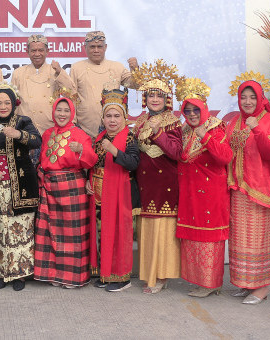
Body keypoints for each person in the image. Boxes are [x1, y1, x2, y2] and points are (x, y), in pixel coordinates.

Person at [0, 84, 41, 291]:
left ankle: (20, 275)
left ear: (15, 103)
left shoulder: (24, 121)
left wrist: (18, 135)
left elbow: (36, 140)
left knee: (20, 230)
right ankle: (4, 273)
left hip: (19, 186)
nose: (3, 106)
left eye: (7, 102)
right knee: (0, 229)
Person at [226, 72, 270, 305]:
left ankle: (262, 288)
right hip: (238, 190)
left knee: (257, 239)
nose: (247, 102)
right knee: (240, 238)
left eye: (252, 97)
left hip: (258, 189)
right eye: (243, 97)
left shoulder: (269, 121)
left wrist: (257, 128)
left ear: (260, 99)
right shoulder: (234, 122)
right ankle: (245, 283)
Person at [34, 90, 98, 289]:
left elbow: (92, 160)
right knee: (50, 233)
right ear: (53, 112)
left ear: (72, 113)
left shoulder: (80, 134)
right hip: (49, 187)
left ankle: (72, 277)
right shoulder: (47, 134)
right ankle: (53, 274)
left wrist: (82, 151)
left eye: (66, 110)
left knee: (71, 235)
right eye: (58, 110)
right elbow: (42, 160)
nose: (62, 114)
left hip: (72, 188)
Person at [176, 78, 232, 298]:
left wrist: (206, 138)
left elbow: (225, 157)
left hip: (211, 193)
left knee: (208, 238)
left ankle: (211, 284)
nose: (191, 114)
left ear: (204, 109)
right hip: (189, 192)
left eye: (195, 109)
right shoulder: (184, 130)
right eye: (187, 110)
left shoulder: (215, 128)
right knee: (192, 237)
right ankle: (200, 282)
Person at [130, 61, 183, 294]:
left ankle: (161, 275)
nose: (154, 100)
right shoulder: (139, 122)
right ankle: (149, 274)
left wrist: (158, 132)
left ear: (167, 100)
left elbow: (176, 153)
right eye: (150, 95)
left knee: (163, 230)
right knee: (147, 230)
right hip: (145, 183)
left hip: (165, 184)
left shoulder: (173, 122)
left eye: (159, 96)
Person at [88, 87, 140, 292]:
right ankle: (105, 273)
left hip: (120, 195)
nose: (112, 120)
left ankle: (121, 277)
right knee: (102, 234)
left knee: (120, 235)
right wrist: (87, 179)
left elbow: (133, 163)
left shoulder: (129, 138)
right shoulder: (99, 138)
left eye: (117, 116)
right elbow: (92, 163)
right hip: (99, 195)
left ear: (124, 117)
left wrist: (114, 151)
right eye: (108, 115)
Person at [69, 31, 138, 137]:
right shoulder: (76, 68)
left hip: (113, 130)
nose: (96, 50)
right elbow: (71, 97)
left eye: (99, 46)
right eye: (92, 47)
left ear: (105, 47)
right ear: (85, 47)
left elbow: (135, 85)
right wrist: (72, 124)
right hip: (84, 129)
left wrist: (135, 69)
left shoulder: (117, 67)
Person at [10, 34, 76, 135]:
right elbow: (12, 103)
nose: (37, 54)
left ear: (47, 51)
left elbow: (71, 93)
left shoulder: (54, 70)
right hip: (25, 130)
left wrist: (59, 72)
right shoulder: (18, 73)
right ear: (27, 52)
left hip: (50, 129)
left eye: (41, 50)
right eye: (33, 51)